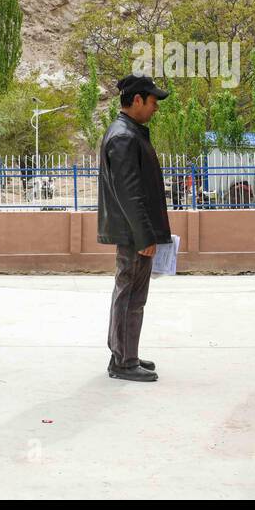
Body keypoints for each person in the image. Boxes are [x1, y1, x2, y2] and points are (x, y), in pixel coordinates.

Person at [98, 74, 172, 382]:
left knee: (129, 294)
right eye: (153, 101)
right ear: (137, 100)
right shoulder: (125, 137)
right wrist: (144, 236)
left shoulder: (130, 133)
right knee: (130, 296)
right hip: (133, 234)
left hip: (134, 232)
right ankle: (124, 361)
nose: (156, 107)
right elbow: (129, 193)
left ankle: (124, 352)